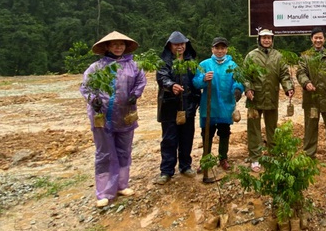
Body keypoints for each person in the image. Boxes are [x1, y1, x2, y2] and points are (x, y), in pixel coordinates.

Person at [80, 31, 147, 208]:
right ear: (107, 47)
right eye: (114, 44)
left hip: (125, 114)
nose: (118, 47)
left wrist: (135, 94)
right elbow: (86, 87)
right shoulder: (96, 68)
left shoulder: (134, 66)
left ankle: (121, 185)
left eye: (121, 44)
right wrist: (93, 100)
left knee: (124, 150)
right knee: (105, 153)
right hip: (101, 115)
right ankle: (104, 192)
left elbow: (141, 82)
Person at [243, 29, 294, 172]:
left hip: (271, 97)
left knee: (272, 128)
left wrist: (288, 87)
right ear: (259, 39)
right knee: (254, 129)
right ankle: (255, 158)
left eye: (269, 38)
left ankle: (274, 154)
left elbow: (284, 74)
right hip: (254, 99)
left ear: (272, 40)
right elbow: (245, 75)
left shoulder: (278, 56)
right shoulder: (251, 56)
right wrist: (248, 89)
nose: (266, 40)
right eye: (264, 38)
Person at [154, 31, 201, 184]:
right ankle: (166, 171)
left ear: (186, 45)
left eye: (182, 44)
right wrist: (171, 85)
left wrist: (197, 100)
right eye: (176, 44)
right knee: (169, 139)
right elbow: (162, 77)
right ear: (170, 45)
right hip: (170, 106)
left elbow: (195, 82)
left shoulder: (191, 61)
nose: (180, 46)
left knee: (187, 137)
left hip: (188, 106)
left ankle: (185, 166)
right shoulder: (164, 62)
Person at [193, 37, 245, 175]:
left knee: (224, 133)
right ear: (212, 49)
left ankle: (223, 158)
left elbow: (238, 81)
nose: (220, 51)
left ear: (226, 50)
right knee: (207, 134)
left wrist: (238, 90)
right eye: (217, 48)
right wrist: (203, 79)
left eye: (223, 48)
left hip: (226, 106)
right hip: (209, 106)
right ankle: (206, 160)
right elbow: (196, 82)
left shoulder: (233, 66)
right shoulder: (204, 64)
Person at [296, 27, 326, 167]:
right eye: (315, 37)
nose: (318, 40)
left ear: (324, 39)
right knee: (310, 128)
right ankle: (309, 154)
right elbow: (300, 73)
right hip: (312, 99)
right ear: (311, 39)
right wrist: (306, 83)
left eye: (320, 37)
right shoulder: (305, 56)